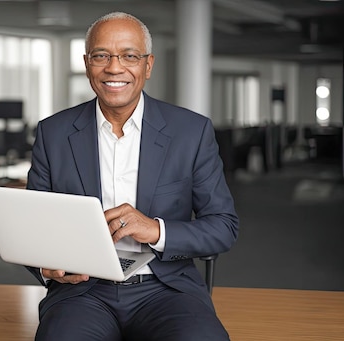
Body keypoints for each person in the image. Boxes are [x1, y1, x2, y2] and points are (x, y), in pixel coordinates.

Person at [25, 11, 240, 340]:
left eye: (129, 56)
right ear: (87, 64)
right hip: (83, 293)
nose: (114, 68)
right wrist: (45, 265)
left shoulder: (191, 132)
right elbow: (32, 227)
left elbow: (223, 226)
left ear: (148, 65)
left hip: (166, 290)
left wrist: (155, 230)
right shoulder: (53, 133)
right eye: (101, 56)